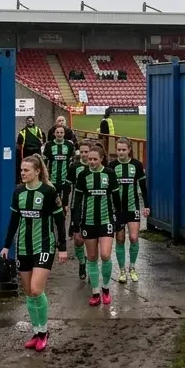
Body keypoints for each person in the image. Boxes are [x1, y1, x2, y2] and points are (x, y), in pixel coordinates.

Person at [0, 155, 68, 351]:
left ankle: (44, 331)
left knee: (37, 290)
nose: (22, 173)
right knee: (29, 292)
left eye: (26, 170)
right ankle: (37, 332)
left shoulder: (48, 191)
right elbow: (14, 220)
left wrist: (62, 247)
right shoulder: (18, 192)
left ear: (37, 171)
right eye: (21, 170)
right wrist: (6, 246)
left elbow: (59, 220)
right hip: (23, 247)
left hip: (44, 245)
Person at [71, 142, 121, 306]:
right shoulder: (83, 176)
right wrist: (76, 225)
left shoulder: (109, 174)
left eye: (94, 159)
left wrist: (118, 220)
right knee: (92, 257)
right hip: (88, 222)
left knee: (105, 255)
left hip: (106, 220)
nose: (91, 161)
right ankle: (95, 292)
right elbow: (77, 202)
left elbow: (116, 199)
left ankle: (106, 289)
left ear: (102, 159)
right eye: (89, 159)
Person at [110, 139, 150, 282]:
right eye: (118, 150)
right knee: (120, 240)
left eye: (123, 150)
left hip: (133, 208)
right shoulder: (112, 166)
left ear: (129, 150)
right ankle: (122, 271)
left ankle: (132, 267)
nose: (120, 152)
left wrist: (147, 205)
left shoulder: (137, 165)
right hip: (118, 210)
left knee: (133, 238)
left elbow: (143, 187)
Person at [69, 140, 93, 280]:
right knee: (78, 240)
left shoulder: (98, 167)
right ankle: (82, 263)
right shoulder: (74, 167)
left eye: (86, 152)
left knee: (90, 240)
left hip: (91, 208)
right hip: (76, 207)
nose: (84, 155)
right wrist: (65, 204)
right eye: (82, 152)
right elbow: (68, 187)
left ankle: (91, 265)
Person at [43, 125, 76, 221]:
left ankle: (63, 217)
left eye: (61, 132)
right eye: (57, 132)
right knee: (52, 199)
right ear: (54, 133)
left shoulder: (69, 145)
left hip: (65, 179)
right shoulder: (49, 145)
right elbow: (44, 161)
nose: (59, 134)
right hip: (52, 179)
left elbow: (72, 161)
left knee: (64, 201)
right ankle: (52, 216)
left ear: (64, 134)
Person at [15, 117, 44, 183]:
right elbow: (19, 142)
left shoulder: (38, 130)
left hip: (36, 152)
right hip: (26, 152)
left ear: (33, 122)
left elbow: (41, 141)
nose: (30, 122)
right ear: (26, 122)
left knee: (36, 166)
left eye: (31, 121)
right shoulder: (23, 131)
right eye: (28, 121)